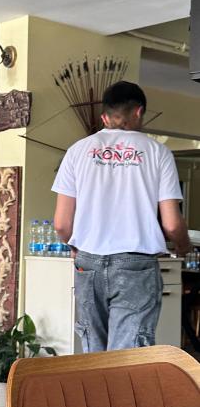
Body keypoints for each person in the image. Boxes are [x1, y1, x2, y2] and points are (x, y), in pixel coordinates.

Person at [52, 81, 190, 352]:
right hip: (136, 266)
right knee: (128, 356)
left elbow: (61, 224)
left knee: (93, 353)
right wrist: (183, 246)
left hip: (88, 263)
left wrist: (75, 246)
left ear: (104, 117)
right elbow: (172, 224)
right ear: (139, 112)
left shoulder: (77, 151)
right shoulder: (158, 153)